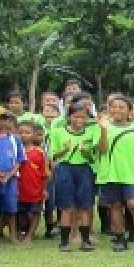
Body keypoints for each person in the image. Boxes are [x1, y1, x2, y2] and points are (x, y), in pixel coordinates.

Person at [97, 95, 134, 252]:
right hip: (110, 174)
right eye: (113, 106)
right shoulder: (103, 126)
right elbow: (101, 150)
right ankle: (120, 238)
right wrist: (103, 131)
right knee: (115, 206)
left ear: (130, 111)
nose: (117, 110)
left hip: (130, 173)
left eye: (121, 107)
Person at [48, 100, 99, 251]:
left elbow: (93, 158)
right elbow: (53, 156)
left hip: (84, 169)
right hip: (65, 168)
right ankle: (64, 242)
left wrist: (85, 152)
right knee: (66, 207)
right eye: (76, 117)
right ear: (69, 117)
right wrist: (65, 150)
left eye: (83, 117)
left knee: (85, 206)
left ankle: (85, 240)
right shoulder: (58, 132)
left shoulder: (91, 132)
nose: (79, 121)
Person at [0, 111, 26, 244]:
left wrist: (9, 175)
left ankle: (13, 236)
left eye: (4, 119)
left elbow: (19, 160)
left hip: (11, 180)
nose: (1, 122)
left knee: (11, 208)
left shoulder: (14, 139)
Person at [16, 122, 50, 241]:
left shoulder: (40, 152)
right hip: (19, 189)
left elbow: (45, 173)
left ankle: (30, 235)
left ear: (34, 135)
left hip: (36, 189)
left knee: (36, 212)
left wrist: (45, 189)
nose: (24, 135)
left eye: (27, 132)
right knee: (20, 213)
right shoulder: (15, 150)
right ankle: (21, 231)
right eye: (20, 132)